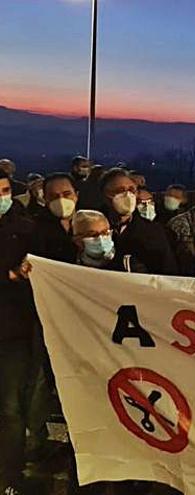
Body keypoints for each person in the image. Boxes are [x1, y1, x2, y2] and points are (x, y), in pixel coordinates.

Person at [0, 169, 36, 495]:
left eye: (5, 190)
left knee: (10, 409)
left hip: (12, 334)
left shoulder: (25, 229)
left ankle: (11, 475)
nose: (2, 198)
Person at [99, 168, 177, 275]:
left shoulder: (154, 231)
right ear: (105, 195)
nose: (127, 195)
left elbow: (168, 270)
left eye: (131, 190)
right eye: (120, 191)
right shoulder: (93, 227)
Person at [71, 210, 148, 273]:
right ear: (77, 240)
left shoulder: (128, 265)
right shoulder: (69, 266)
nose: (101, 238)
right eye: (93, 235)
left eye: (105, 233)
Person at [31, 173, 79, 263]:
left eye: (67, 194)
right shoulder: (35, 226)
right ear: (45, 199)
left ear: (76, 195)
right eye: (53, 196)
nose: (61, 199)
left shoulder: (91, 220)